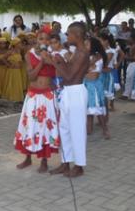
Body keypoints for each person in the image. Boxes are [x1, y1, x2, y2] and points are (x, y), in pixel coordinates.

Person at [14, 30, 60, 173]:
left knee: (45, 127)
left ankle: (44, 160)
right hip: (33, 96)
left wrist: (50, 61)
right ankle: (27, 158)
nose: (44, 42)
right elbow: (32, 77)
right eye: (41, 39)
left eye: (47, 39)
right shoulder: (29, 54)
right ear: (36, 40)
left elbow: (60, 73)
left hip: (47, 96)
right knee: (30, 126)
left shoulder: (55, 55)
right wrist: (42, 62)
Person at [50, 22, 90, 178]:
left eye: (69, 34)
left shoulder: (82, 53)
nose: (67, 37)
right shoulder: (77, 52)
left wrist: (55, 61)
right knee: (64, 128)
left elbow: (68, 75)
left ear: (77, 35)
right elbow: (69, 70)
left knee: (77, 130)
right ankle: (65, 162)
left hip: (76, 92)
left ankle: (79, 166)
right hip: (68, 92)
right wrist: (59, 60)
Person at [84, 37, 109, 139]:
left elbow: (86, 69)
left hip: (94, 85)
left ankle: (105, 129)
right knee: (88, 108)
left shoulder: (98, 56)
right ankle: (88, 129)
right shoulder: (87, 56)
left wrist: (88, 66)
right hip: (86, 84)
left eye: (87, 44)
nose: (85, 46)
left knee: (97, 108)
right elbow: (83, 69)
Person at [122, 34, 135, 99]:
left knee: (131, 79)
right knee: (129, 79)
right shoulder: (130, 46)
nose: (128, 39)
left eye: (129, 38)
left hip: (134, 63)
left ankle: (132, 95)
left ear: (133, 39)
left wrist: (126, 57)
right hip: (131, 64)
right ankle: (127, 94)